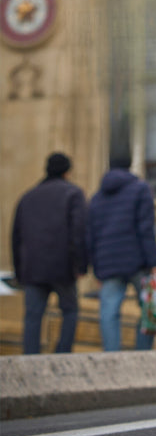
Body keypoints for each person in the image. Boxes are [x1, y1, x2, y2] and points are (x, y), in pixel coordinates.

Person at [11, 152, 87, 354]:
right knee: (70, 310)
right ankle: (61, 355)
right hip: (62, 267)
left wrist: (20, 272)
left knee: (33, 316)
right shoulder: (73, 194)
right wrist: (81, 265)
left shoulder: (27, 197)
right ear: (67, 172)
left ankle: (31, 359)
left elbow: (16, 237)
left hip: (32, 269)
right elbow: (78, 232)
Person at [87, 147, 156, 351]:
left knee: (109, 312)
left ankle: (112, 357)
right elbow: (145, 229)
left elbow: (90, 235)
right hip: (137, 260)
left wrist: (95, 266)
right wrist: (154, 262)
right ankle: (142, 355)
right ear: (130, 164)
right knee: (149, 309)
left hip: (108, 262)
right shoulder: (141, 189)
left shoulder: (96, 198)